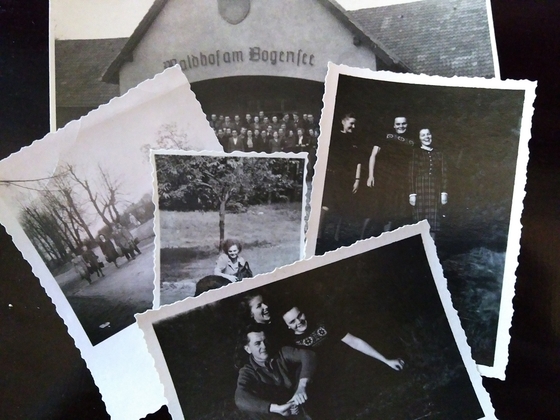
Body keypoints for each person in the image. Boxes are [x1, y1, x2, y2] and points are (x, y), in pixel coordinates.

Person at [281, 306, 404, 370]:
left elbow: (355, 342)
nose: (299, 321)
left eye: (300, 315)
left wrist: (386, 361)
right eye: (292, 321)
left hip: (346, 369)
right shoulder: (292, 344)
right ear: (287, 326)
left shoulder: (322, 324)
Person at [235, 325, 316, 419]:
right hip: (276, 414)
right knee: (253, 410)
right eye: (258, 343)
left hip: (300, 402)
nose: (264, 346)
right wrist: (276, 408)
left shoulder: (282, 352)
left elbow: (309, 355)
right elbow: (240, 397)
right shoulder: (247, 371)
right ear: (248, 349)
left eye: (265, 341)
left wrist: (302, 387)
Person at [320, 113, 370, 243]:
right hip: (332, 176)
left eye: (354, 124)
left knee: (343, 207)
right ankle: (318, 236)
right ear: (343, 122)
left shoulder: (355, 140)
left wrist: (357, 180)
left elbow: (358, 162)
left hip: (347, 179)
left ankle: (336, 238)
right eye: (351, 123)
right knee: (326, 206)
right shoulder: (333, 138)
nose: (353, 126)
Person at [367, 116, 416, 234]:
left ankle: (386, 237)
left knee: (393, 210)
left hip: (400, 179)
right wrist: (370, 175)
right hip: (383, 177)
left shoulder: (411, 142)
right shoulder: (385, 137)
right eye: (398, 124)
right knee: (376, 209)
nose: (401, 126)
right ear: (394, 125)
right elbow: (373, 156)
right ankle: (364, 238)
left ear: (407, 125)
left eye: (403, 124)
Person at [409, 128, 448, 238]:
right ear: (419, 138)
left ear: (432, 135)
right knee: (419, 222)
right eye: (423, 135)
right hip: (420, 190)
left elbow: (444, 173)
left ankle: (431, 250)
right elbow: (412, 174)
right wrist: (412, 193)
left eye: (428, 134)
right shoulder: (416, 153)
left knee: (433, 221)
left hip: (435, 190)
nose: (426, 137)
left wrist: (444, 192)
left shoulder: (439, 153)